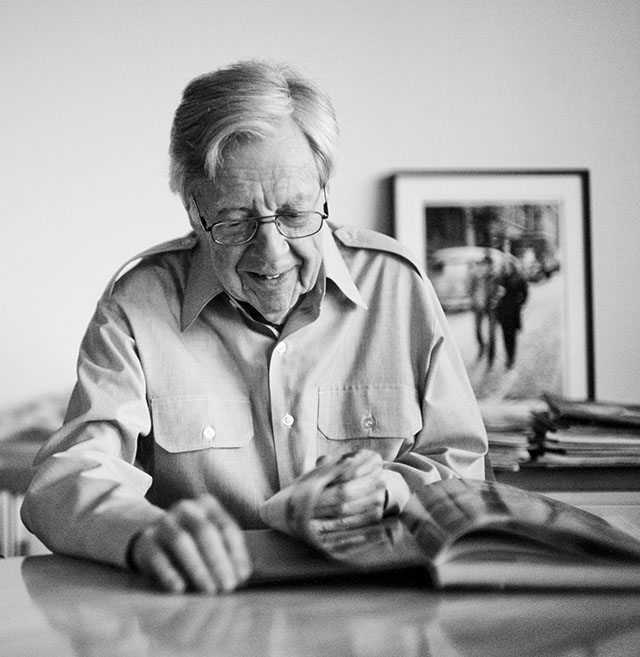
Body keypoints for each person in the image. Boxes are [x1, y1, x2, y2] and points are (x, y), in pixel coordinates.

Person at [21, 60, 487, 595]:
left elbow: (465, 465)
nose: (272, 254)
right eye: (236, 222)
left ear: (323, 189)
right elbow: (63, 480)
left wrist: (385, 490)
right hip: (205, 613)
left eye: (293, 215)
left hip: (382, 604)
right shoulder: (137, 303)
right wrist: (145, 533)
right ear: (194, 211)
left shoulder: (396, 285)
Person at [494, 258, 529, 369]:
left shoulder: (519, 278)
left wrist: (521, 302)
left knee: (512, 337)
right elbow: (495, 293)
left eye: (509, 266)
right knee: (505, 336)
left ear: (512, 267)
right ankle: (508, 357)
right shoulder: (500, 278)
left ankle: (511, 357)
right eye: (505, 266)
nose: (506, 268)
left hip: (513, 312)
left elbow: (525, 292)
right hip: (503, 312)